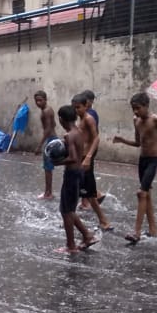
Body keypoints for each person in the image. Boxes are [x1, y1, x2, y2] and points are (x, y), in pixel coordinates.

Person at [112, 92, 157, 244]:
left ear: (146, 106)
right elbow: (138, 143)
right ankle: (153, 229)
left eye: (138, 108)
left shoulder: (156, 120)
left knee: (141, 193)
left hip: (154, 160)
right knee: (146, 194)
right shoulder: (136, 121)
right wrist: (122, 140)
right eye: (133, 109)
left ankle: (136, 232)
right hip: (143, 160)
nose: (136, 112)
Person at [52, 104, 99, 254]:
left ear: (61, 119)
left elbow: (72, 157)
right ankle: (87, 236)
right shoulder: (78, 132)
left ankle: (71, 245)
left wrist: (57, 162)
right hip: (78, 173)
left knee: (66, 211)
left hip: (72, 174)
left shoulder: (69, 135)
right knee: (69, 210)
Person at [72, 93, 111, 231]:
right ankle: (103, 221)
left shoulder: (89, 119)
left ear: (85, 106)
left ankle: (103, 221)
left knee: (85, 192)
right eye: (74, 108)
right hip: (80, 159)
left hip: (85, 160)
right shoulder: (80, 119)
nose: (76, 110)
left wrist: (88, 157)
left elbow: (96, 138)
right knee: (87, 192)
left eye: (78, 107)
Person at [34, 90, 56, 199]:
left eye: (40, 100)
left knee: (48, 168)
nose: (38, 103)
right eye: (36, 101)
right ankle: (48, 192)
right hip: (51, 139)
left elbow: (47, 130)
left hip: (50, 139)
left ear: (45, 100)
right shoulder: (47, 110)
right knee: (48, 168)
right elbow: (54, 124)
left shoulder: (46, 111)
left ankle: (48, 193)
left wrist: (39, 145)